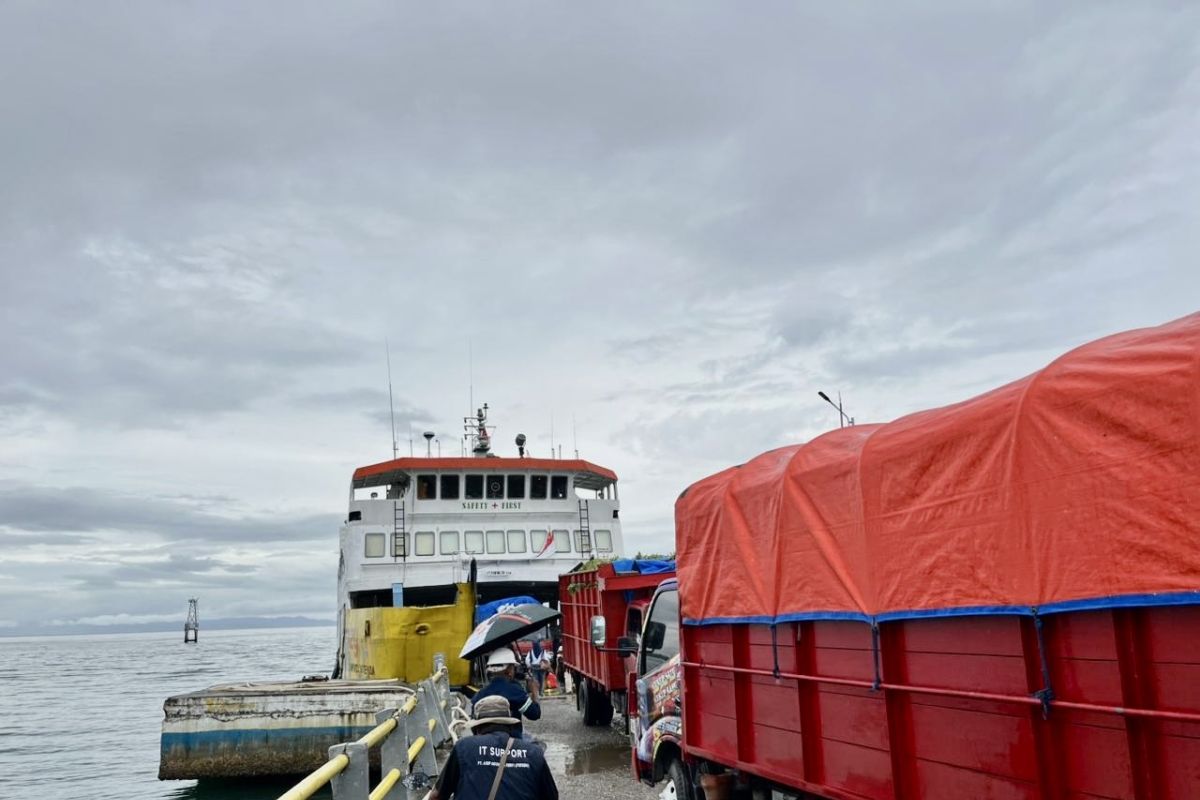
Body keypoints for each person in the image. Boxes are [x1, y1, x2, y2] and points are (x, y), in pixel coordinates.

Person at [430, 694, 558, 800]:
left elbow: (437, 796)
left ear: (477, 727)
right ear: (510, 726)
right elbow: (552, 797)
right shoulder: (534, 753)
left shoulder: (464, 747)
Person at [472, 648, 541, 739]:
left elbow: (473, 726)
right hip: (512, 742)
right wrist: (535, 692)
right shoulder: (515, 692)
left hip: (484, 742)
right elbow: (534, 714)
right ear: (509, 670)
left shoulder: (479, 695)